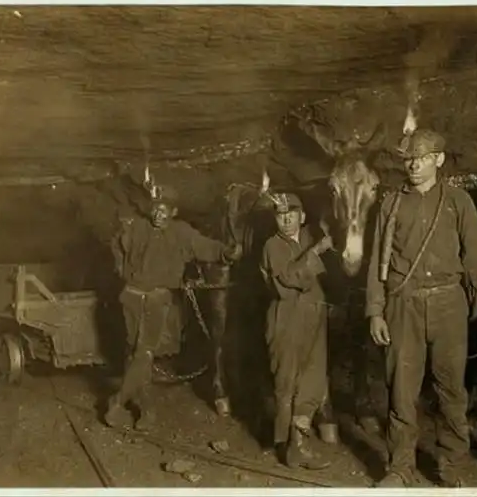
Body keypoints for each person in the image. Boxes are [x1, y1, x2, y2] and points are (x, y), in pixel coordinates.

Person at [365, 129, 477, 487]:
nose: (414, 165)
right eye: (409, 159)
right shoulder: (391, 204)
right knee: (401, 391)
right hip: (403, 305)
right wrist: (375, 311)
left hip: (448, 305)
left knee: (451, 392)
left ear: (438, 159)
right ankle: (400, 468)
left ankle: (451, 467)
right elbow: (377, 261)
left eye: (422, 158)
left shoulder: (458, 202)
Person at [104, 183, 242, 432]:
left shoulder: (182, 233)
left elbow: (204, 246)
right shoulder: (137, 227)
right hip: (131, 297)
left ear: (174, 212)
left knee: (144, 352)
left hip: (157, 300)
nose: (159, 213)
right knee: (134, 352)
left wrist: (226, 252)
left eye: (164, 209)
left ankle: (118, 401)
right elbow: (116, 245)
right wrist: (122, 269)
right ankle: (146, 408)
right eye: (155, 208)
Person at [259, 192, 334, 470]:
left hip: (315, 315)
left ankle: (298, 443)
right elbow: (289, 279)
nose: (287, 220)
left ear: (302, 217)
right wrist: (316, 251)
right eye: (281, 215)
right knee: (286, 382)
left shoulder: (308, 236)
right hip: (286, 318)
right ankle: (286, 445)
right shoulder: (272, 246)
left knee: (313, 379)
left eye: (292, 214)